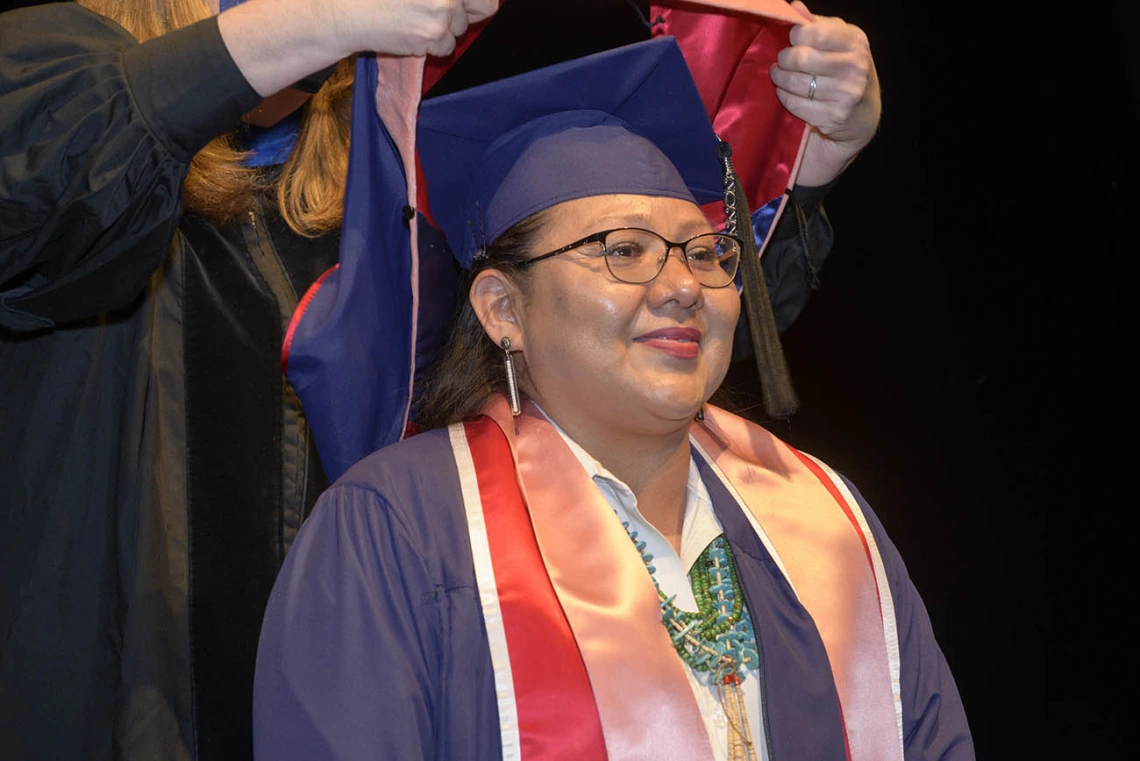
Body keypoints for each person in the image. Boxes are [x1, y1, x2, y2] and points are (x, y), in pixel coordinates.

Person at [0, 3, 876, 761]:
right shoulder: (51, 85)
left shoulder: (387, 196)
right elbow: (45, 186)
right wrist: (320, 17)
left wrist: (805, 166)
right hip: (113, 696)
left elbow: (603, 360)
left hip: (389, 688)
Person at [252, 36, 971, 761]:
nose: (685, 285)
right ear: (503, 308)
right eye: (623, 250)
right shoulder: (397, 532)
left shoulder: (827, 522)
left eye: (703, 252)